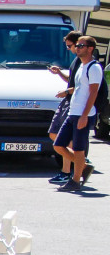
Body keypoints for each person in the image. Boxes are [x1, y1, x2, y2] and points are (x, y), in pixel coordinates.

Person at [53, 35, 102, 191]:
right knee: (58, 145)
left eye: (81, 45)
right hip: (73, 112)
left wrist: (84, 116)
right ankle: (84, 167)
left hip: (83, 114)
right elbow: (79, 88)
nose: (78, 47)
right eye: (78, 45)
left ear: (90, 49)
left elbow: (93, 92)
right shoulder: (81, 66)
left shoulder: (94, 67)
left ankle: (75, 181)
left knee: (79, 148)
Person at [47, 30, 89, 185]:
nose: (70, 49)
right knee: (54, 135)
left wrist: (66, 92)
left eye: (71, 46)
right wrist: (59, 74)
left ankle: (70, 170)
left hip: (73, 102)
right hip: (68, 101)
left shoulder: (84, 62)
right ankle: (80, 164)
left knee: (64, 139)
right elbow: (72, 82)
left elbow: (82, 87)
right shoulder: (75, 61)